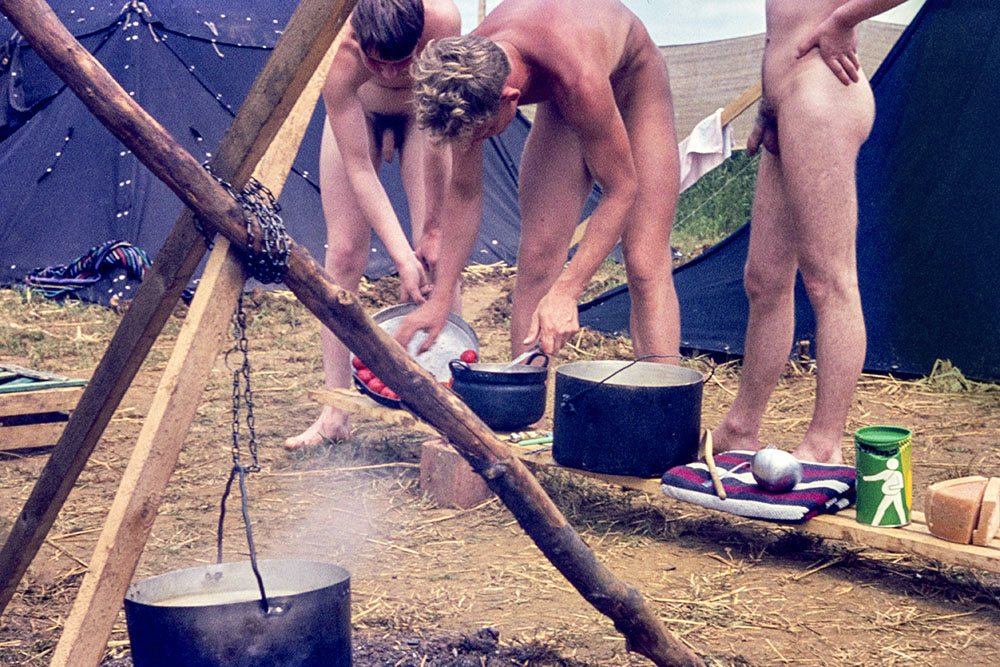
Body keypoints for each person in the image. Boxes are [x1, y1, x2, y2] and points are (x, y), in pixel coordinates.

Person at [393, 0, 681, 363]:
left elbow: (621, 190)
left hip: (631, 80)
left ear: (510, 98)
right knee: (537, 257)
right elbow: (465, 194)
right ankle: (524, 397)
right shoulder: (466, 77)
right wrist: (440, 300)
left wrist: (568, 291)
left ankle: (663, 394)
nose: (475, 142)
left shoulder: (576, 77)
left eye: (483, 133)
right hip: (562, 86)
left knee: (644, 262)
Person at [711, 0, 912, 464]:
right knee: (764, 279)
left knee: (829, 279)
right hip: (788, 100)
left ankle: (824, 445)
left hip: (822, 94)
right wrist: (770, 99)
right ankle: (740, 428)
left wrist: (844, 19)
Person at [285, 0, 461, 450]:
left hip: (423, 117)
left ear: (419, 36)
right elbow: (360, 168)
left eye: (401, 62)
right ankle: (336, 412)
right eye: (376, 62)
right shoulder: (340, 52)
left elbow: (441, 133)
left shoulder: (443, 20)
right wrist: (399, 257)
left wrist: (432, 231)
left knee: (437, 253)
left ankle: (455, 406)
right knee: (343, 253)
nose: (388, 73)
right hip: (359, 111)